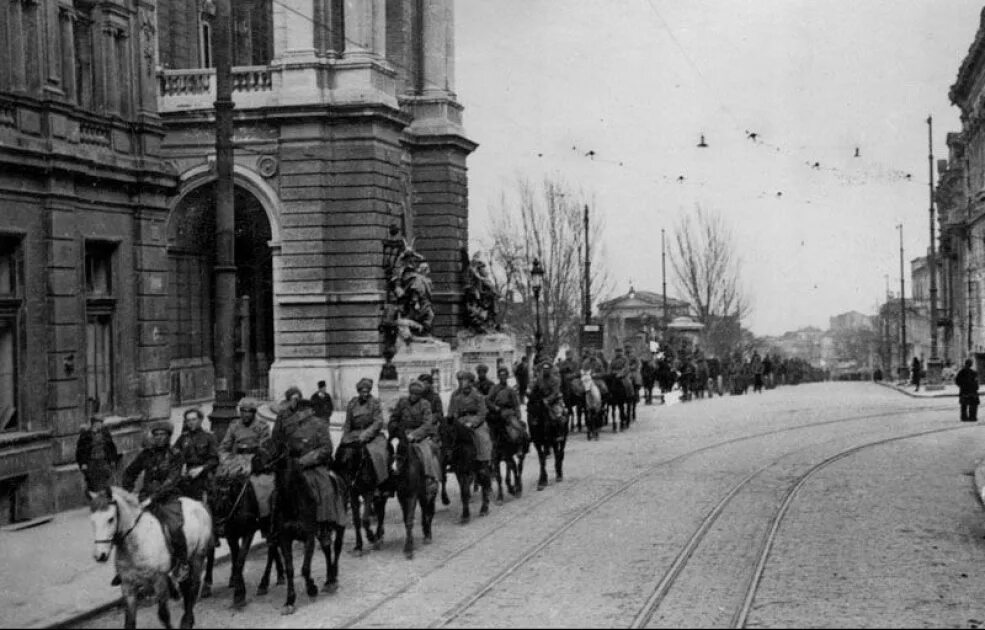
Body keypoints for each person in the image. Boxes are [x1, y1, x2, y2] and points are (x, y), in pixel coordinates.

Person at [122, 421, 188, 583]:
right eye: (156, 435)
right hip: (145, 499)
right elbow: (130, 472)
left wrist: (153, 498)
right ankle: (127, 567)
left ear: (169, 436)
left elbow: (171, 481)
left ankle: (182, 563)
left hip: (168, 499)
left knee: (174, 527)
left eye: (162, 435)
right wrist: (127, 493)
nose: (158, 438)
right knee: (128, 530)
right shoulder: (146, 454)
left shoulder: (176, 455)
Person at [265, 386, 343, 525]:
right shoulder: (288, 422)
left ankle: (325, 523)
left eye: (304, 410)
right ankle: (274, 527)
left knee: (325, 490)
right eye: (299, 410)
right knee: (275, 492)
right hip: (292, 465)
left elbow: (326, 448)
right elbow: (278, 441)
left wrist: (305, 460)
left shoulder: (320, 424)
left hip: (313, 466)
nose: (300, 414)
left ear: (310, 411)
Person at [216, 398, 274, 524]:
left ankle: (264, 518)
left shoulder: (262, 426)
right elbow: (224, 447)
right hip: (237, 460)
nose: (246, 414)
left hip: (256, 460)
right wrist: (226, 460)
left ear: (254, 413)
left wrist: (255, 462)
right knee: (221, 483)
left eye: (250, 411)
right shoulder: (234, 426)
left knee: (263, 487)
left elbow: (264, 447)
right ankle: (221, 516)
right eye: (243, 411)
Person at [447, 371, 492, 514]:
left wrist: (473, 423)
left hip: (475, 424)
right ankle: (450, 460)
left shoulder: (477, 396)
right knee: (449, 439)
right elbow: (451, 411)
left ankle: (483, 462)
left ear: (471, 382)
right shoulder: (455, 395)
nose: (461, 383)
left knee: (481, 438)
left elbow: (482, 413)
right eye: (460, 380)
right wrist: (451, 420)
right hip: (460, 423)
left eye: (464, 380)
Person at [387, 381, 441, 481]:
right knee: (390, 451)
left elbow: (427, 424)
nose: (413, 396)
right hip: (402, 434)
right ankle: (388, 481)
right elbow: (394, 418)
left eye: (416, 394)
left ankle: (428, 478)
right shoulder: (402, 402)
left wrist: (414, 435)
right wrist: (395, 429)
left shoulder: (425, 404)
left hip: (420, 436)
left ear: (420, 395)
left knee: (426, 453)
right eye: (412, 393)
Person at [340, 378, 389, 486]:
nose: (365, 394)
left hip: (373, 436)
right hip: (354, 435)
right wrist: (344, 438)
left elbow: (378, 422)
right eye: (363, 391)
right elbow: (348, 423)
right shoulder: (352, 404)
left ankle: (381, 484)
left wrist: (366, 434)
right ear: (359, 391)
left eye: (367, 391)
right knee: (341, 454)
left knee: (379, 454)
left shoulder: (374, 403)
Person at [174, 408, 219, 503]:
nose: (191, 423)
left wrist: (201, 469)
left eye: (194, 419)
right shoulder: (183, 437)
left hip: (204, 475)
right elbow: (174, 454)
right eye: (188, 420)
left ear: (200, 420)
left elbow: (214, 459)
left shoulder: (209, 437)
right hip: (187, 474)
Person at [76, 413, 120, 493]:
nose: (101, 425)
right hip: (92, 463)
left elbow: (111, 447)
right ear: (94, 423)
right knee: (94, 484)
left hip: (103, 461)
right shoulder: (86, 435)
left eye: (101, 422)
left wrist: (113, 460)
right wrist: (83, 463)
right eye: (100, 422)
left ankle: (106, 500)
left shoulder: (105, 434)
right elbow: (80, 451)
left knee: (107, 483)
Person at [486, 366, 528, 444]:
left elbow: (516, 404)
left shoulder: (510, 390)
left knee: (519, 429)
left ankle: (520, 447)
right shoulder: (494, 388)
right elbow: (488, 400)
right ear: (498, 376)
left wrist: (518, 414)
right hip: (497, 413)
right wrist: (494, 407)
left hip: (508, 413)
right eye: (501, 375)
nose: (503, 377)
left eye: (504, 375)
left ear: (507, 376)